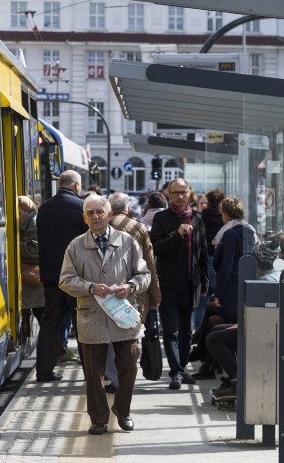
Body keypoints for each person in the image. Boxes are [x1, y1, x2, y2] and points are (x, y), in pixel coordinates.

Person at [59, 194, 151, 435]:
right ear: (84, 218)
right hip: (92, 317)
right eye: (91, 213)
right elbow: (65, 280)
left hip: (123, 315)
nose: (96, 216)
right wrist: (90, 287)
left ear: (109, 215)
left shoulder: (127, 241)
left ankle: (123, 409)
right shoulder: (75, 246)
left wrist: (130, 287)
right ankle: (98, 419)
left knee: (129, 366)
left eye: (100, 211)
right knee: (94, 372)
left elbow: (145, 275)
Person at [150, 177, 208, 390]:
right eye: (176, 193)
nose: (180, 196)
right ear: (169, 194)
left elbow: (203, 253)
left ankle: (182, 368)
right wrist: (178, 234)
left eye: (184, 192)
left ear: (189, 193)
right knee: (171, 330)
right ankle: (175, 371)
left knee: (187, 331)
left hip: (191, 283)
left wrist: (205, 283)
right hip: (169, 282)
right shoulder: (162, 219)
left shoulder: (198, 219)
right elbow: (157, 248)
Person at [207, 239, 283, 400]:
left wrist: (240, 326)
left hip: (263, 335)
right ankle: (236, 375)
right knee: (216, 329)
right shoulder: (277, 276)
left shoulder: (265, 282)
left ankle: (237, 380)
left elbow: (259, 317)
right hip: (269, 329)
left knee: (213, 338)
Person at [191, 197, 257, 379]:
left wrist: (219, 294)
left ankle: (200, 349)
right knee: (210, 312)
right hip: (241, 290)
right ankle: (200, 349)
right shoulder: (249, 231)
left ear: (225, 214)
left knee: (212, 312)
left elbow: (226, 267)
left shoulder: (229, 234)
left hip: (231, 291)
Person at [105, 192, 161, 390]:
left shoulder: (100, 226)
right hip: (135, 291)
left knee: (110, 339)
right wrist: (155, 296)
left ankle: (115, 378)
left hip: (105, 292)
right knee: (130, 337)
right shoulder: (138, 227)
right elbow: (150, 265)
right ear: (127, 208)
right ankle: (126, 376)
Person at [35, 170, 87, 382]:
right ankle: (89, 372)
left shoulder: (44, 209)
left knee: (49, 323)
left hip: (51, 276)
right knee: (82, 323)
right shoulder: (81, 207)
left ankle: (44, 371)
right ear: (76, 185)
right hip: (75, 276)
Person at [193, 188, 225, 330]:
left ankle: (198, 331)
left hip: (204, 260)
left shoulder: (200, 217)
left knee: (202, 300)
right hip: (221, 262)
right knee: (220, 300)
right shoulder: (224, 220)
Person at [17, 195, 44, 342]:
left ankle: (57, 351)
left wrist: (12, 243)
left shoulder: (33, 222)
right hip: (32, 281)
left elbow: (34, 251)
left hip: (33, 279)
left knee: (42, 317)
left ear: (23, 211)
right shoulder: (31, 220)